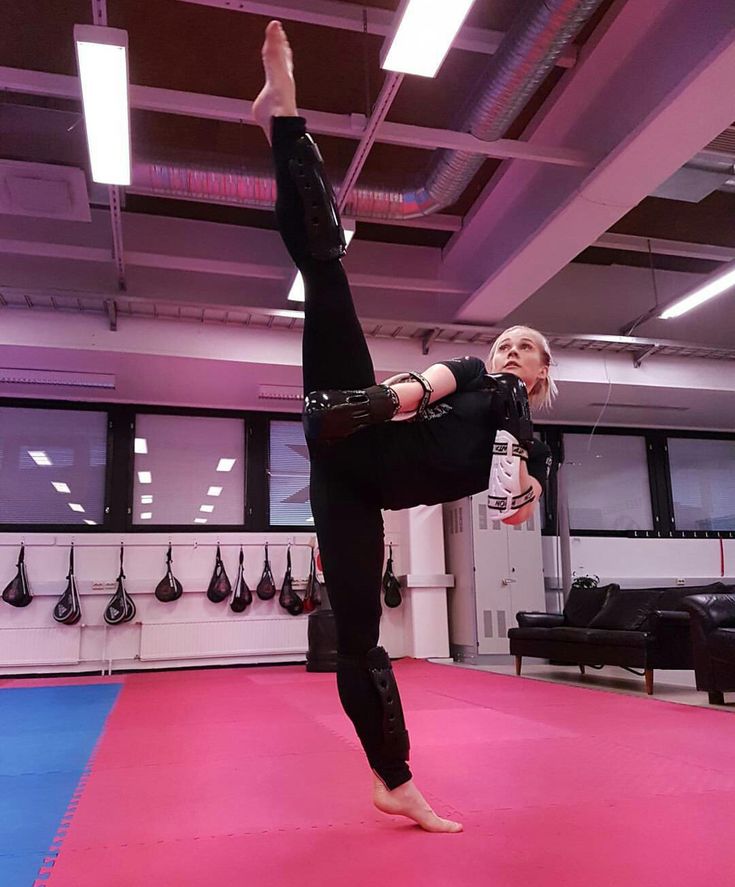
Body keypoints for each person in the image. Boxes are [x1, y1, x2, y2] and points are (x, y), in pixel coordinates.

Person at [252, 20, 555, 834]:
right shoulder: (478, 373)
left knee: (359, 641)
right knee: (325, 269)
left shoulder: (517, 428)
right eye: (506, 339)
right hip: (357, 419)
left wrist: (525, 485)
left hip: (349, 487)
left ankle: (395, 780)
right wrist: (388, 399)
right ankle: (284, 114)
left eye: (524, 348)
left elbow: (529, 469)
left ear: (541, 374)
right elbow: (441, 377)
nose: (509, 349)